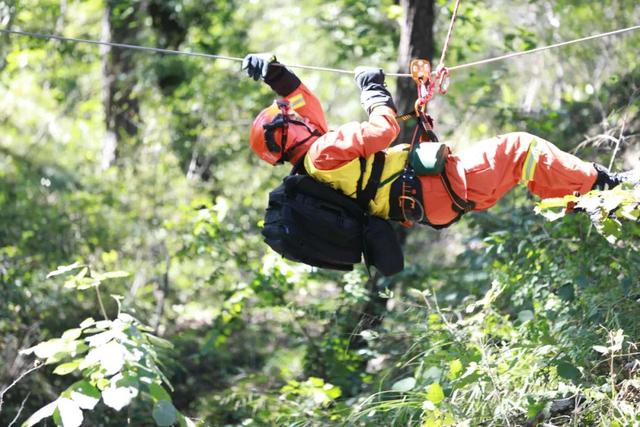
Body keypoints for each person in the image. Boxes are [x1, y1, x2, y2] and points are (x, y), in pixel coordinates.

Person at [242, 53, 636, 228]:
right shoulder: (324, 151)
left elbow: (303, 102)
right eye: (290, 119)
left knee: (519, 163)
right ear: (286, 135)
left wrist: (273, 71)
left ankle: (589, 200)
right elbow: (384, 130)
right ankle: (603, 190)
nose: (297, 114)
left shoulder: (313, 162)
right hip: (439, 187)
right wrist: (373, 91)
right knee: (520, 149)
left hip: (433, 198)